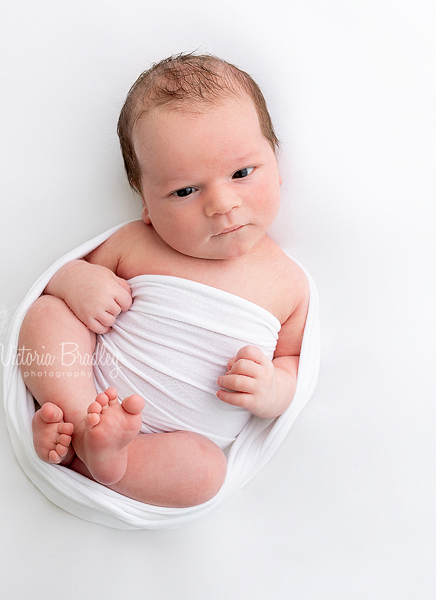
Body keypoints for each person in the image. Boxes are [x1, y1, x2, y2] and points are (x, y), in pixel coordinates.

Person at [18, 53, 309, 509]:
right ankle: (76, 421)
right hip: (93, 391)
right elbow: (63, 281)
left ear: (275, 156)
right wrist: (80, 281)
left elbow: (292, 360)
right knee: (47, 314)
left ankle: (104, 459)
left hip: (173, 444)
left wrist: (271, 388)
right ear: (147, 204)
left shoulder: (289, 282)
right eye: (185, 191)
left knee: (206, 473)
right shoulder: (136, 243)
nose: (221, 203)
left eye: (241, 173)